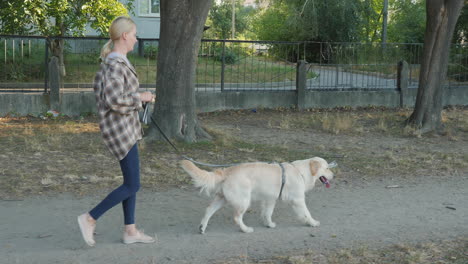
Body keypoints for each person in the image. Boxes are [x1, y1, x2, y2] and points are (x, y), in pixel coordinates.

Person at [77, 16, 156, 246]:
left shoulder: (117, 62)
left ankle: (130, 231)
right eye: (134, 34)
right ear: (124, 36)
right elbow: (113, 99)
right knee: (133, 184)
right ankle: (90, 218)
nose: (136, 38)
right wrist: (140, 97)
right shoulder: (114, 64)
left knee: (131, 181)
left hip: (126, 128)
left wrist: (140, 99)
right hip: (121, 131)